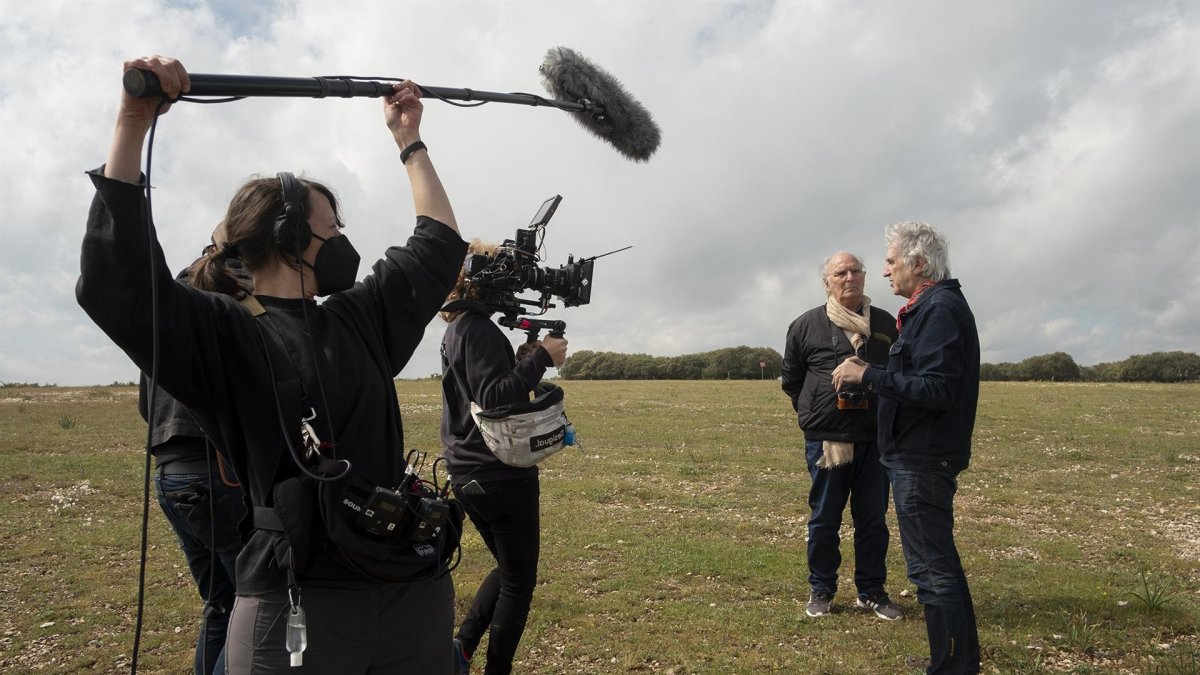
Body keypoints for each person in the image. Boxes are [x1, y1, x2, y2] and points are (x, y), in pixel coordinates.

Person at [78, 55, 469, 673]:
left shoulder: (358, 317)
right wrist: (133, 122)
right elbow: (119, 281)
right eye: (332, 227)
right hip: (296, 601)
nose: (343, 239)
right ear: (289, 236)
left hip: (409, 590)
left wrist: (409, 139)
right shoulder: (220, 329)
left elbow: (438, 243)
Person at [833, 222, 981, 674]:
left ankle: (952, 667)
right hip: (916, 455)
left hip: (923, 458)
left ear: (918, 265)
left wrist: (869, 375)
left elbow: (936, 389)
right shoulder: (929, 309)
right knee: (940, 567)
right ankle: (954, 658)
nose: (885, 272)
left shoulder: (938, 311)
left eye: (892, 262)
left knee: (931, 574)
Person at [438, 241, 568, 675]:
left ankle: (462, 647)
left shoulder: (461, 327)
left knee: (508, 567)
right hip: (498, 473)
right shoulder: (475, 329)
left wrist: (524, 363)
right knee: (519, 580)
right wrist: (542, 360)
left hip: (467, 469)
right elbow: (494, 397)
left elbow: (487, 386)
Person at [139, 239, 252, 675]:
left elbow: (147, 409)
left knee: (219, 603)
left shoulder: (169, 313)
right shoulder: (223, 314)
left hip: (169, 476)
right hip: (215, 474)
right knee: (254, 602)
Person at [781, 251, 902, 621]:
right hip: (827, 439)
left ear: (865, 277)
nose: (850, 277)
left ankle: (871, 590)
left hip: (875, 436)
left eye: (856, 271)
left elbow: (899, 372)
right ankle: (822, 588)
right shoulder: (805, 325)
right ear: (827, 282)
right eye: (841, 272)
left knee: (872, 519)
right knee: (824, 518)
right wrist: (815, 412)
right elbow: (792, 381)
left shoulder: (886, 323)